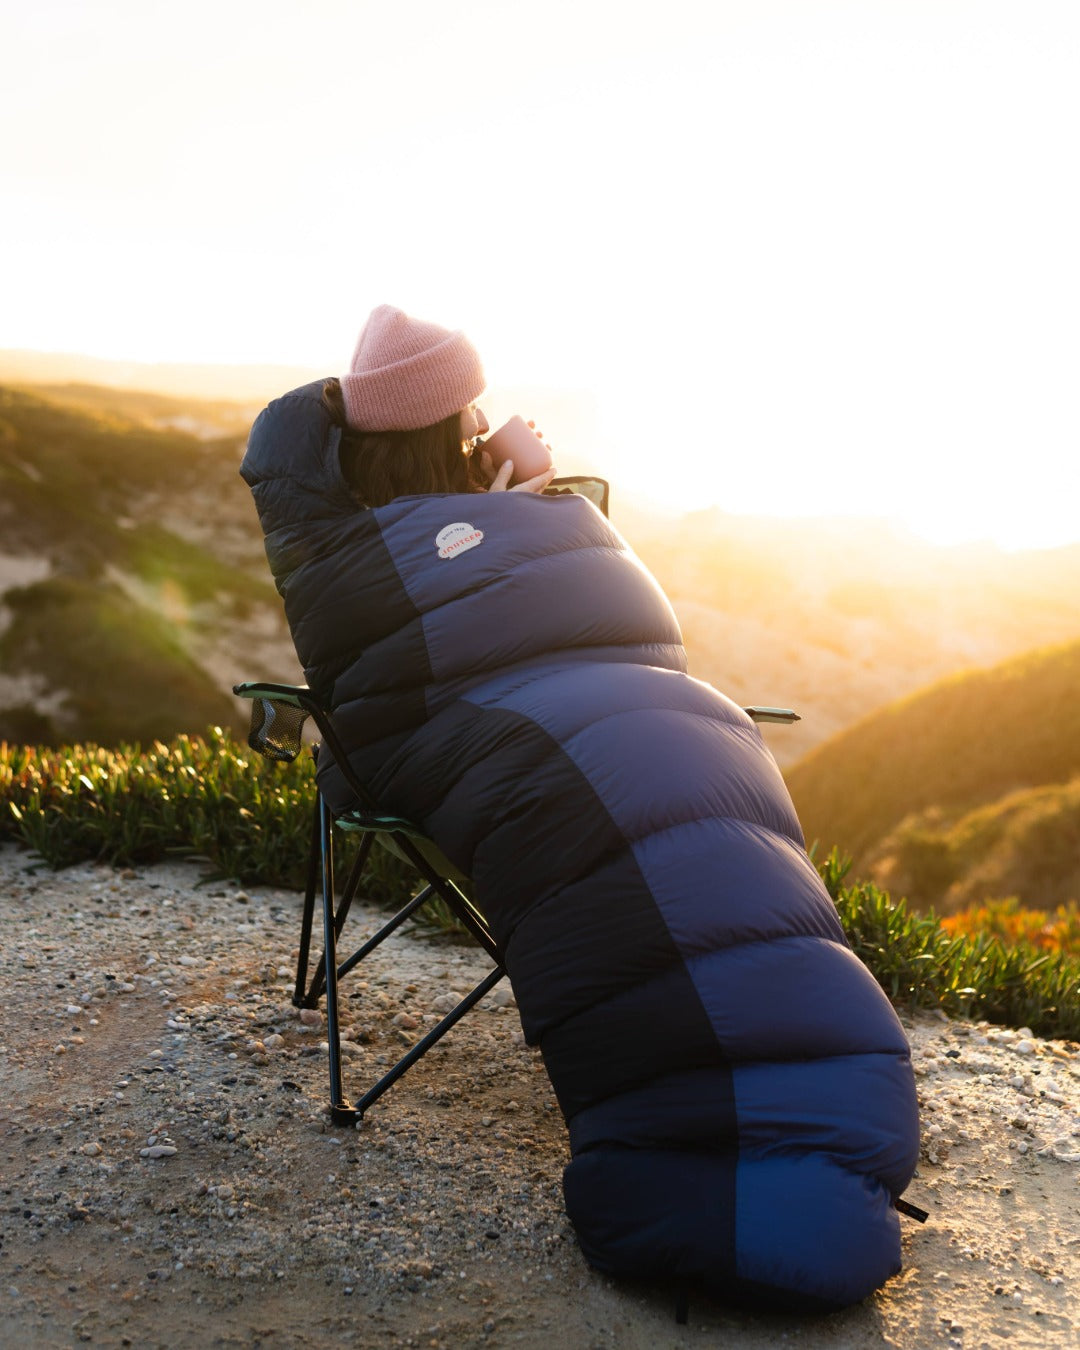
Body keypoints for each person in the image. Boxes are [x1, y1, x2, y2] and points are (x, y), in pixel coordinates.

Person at [241, 304, 920, 1313]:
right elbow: (315, 476)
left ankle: (790, 1142)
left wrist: (524, 491)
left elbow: (578, 611)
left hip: (617, 697)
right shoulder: (340, 537)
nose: (485, 423)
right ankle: (739, 1169)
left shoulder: (476, 509)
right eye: (469, 412)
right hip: (441, 728)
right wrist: (507, 483)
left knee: (699, 743)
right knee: (599, 795)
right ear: (446, 427)